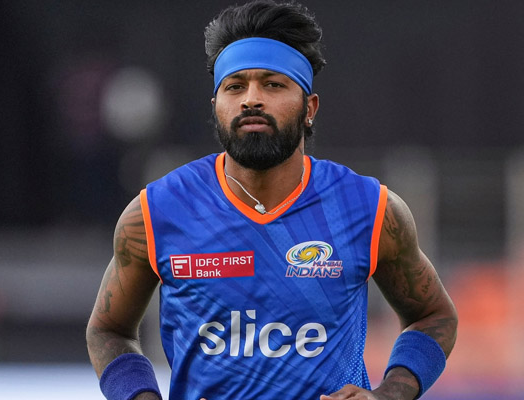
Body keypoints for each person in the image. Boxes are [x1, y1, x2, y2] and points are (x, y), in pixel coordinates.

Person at [86, 1, 458, 399]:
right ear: (216, 107)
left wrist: (389, 395)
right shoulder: (156, 212)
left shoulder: (370, 209)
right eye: (235, 86)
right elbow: (108, 330)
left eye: (273, 84)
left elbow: (433, 315)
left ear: (309, 108)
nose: (251, 99)